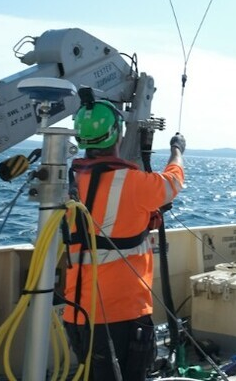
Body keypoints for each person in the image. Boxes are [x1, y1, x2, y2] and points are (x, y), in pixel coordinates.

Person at [62, 96, 185, 381]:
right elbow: (173, 182)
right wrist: (177, 150)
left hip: (76, 314)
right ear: (117, 132)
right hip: (120, 316)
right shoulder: (132, 183)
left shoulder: (68, 180)